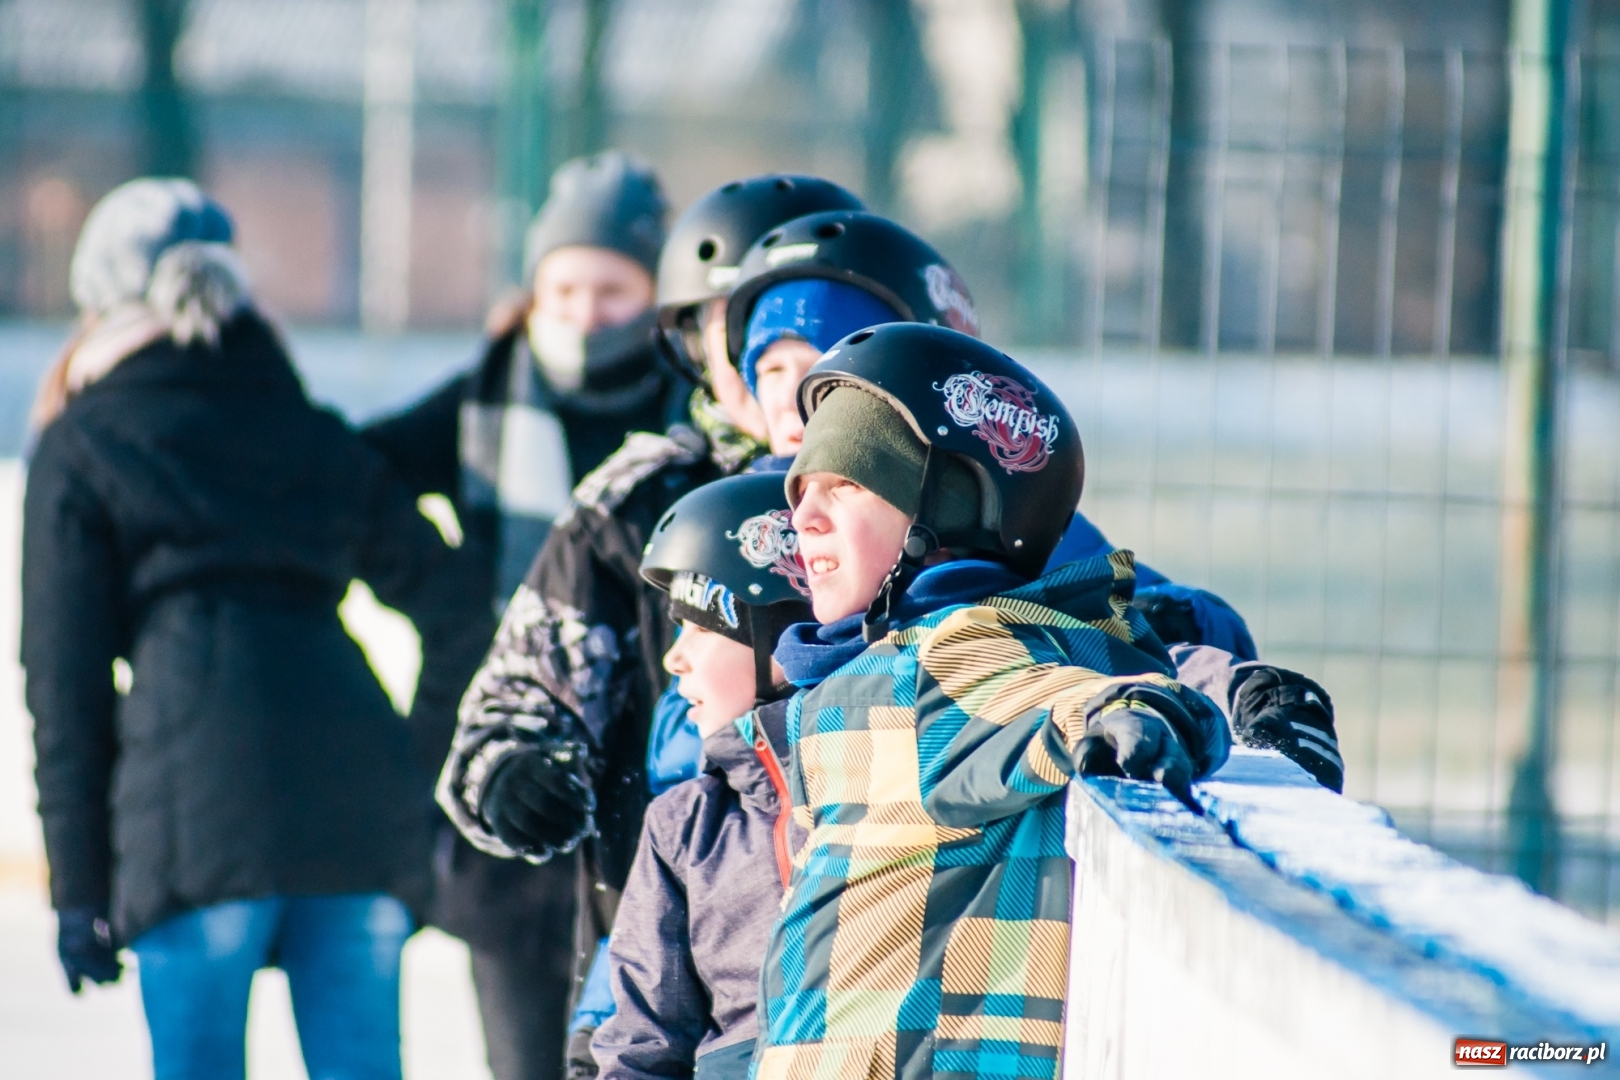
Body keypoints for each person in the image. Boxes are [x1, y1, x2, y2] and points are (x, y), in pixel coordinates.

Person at [22, 177, 479, 1080]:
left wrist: (78, 890)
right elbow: (459, 603)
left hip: (194, 820)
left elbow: (63, 684)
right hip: (359, 814)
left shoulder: (85, 440)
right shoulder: (306, 426)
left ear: (100, 304)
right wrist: (416, 774)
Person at [755, 322, 1232, 1080]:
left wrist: (1124, 712)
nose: (804, 516)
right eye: (801, 488)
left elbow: (1038, 702)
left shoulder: (940, 658)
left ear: (953, 504)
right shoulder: (875, 667)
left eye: (846, 484)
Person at [358, 149, 672, 1080]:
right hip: (510, 792)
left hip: (651, 793)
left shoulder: (694, 408)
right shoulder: (485, 395)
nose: (584, 312)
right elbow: (352, 476)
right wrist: (450, 592)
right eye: (564, 285)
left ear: (656, 291)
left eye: (611, 288)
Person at [590, 473, 811, 1080]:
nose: (673, 657)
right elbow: (642, 1043)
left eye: (701, 628)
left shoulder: (885, 779)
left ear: (786, 631)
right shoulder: (684, 823)